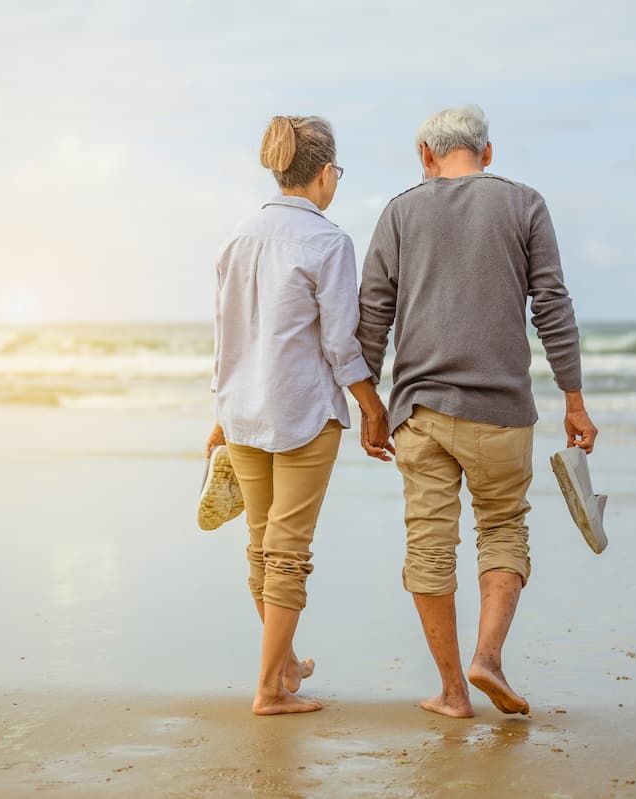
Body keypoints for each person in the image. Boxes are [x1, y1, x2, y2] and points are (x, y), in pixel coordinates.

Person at [356, 104, 599, 718]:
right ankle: (487, 657)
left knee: (430, 548)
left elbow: (372, 317)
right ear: (488, 153)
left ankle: (452, 692)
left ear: (426, 158)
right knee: (503, 530)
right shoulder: (525, 204)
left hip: (421, 412)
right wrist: (573, 397)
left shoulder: (400, 211)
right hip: (502, 413)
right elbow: (552, 306)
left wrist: (370, 405)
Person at [205, 115, 394, 716]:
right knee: (287, 552)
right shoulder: (328, 242)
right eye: (336, 171)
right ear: (323, 173)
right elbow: (341, 342)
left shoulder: (237, 237)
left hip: (242, 413)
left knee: (262, 547)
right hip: (304, 413)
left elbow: (225, 338)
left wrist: (219, 412)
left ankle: (282, 667)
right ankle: (268, 690)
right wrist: (370, 406)